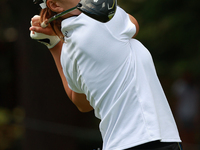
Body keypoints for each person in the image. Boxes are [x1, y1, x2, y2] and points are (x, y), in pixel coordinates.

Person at [29, 0, 183, 149]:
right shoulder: (102, 22)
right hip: (148, 140)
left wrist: (54, 44)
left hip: (118, 144)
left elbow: (82, 103)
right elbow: (134, 24)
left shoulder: (67, 52)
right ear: (55, 5)